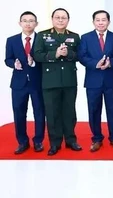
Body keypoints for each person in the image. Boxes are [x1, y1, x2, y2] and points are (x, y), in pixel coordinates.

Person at [33, 8, 81, 156]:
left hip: (69, 80)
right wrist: (55, 54)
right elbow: (37, 55)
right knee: (52, 113)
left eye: (64, 18)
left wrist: (69, 54)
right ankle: (54, 143)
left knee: (69, 112)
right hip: (50, 81)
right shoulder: (42, 35)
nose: (60, 20)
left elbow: (79, 55)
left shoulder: (74, 36)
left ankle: (71, 140)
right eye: (57, 17)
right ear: (52, 19)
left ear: (68, 20)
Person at [78, 10, 113, 152]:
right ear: (93, 22)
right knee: (94, 110)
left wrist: (111, 63)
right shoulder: (85, 37)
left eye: (104, 20)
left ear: (108, 22)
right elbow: (82, 56)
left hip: (110, 79)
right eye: (98, 20)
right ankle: (97, 138)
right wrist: (95, 64)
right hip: (93, 80)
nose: (101, 22)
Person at [4, 11, 45, 154]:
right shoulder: (12, 40)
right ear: (20, 23)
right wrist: (13, 64)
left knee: (39, 112)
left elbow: (45, 59)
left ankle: (38, 141)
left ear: (36, 23)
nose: (28, 23)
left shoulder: (42, 39)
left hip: (37, 82)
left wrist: (33, 63)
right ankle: (22, 142)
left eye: (31, 21)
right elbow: (7, 59)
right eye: (25, 21)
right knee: (19, 113)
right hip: (18, 83)